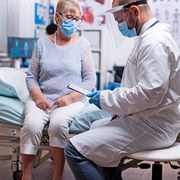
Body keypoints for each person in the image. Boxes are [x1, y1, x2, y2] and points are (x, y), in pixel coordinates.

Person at [64, 0, 180, 179]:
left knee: (73, 149)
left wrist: (106, 98)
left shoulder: (153, 42)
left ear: (134, 11)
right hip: (151, 118)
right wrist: (121, 88)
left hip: (151, 126)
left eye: (119, 20)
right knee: (96, 126)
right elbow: (152, 85)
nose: (118, 26)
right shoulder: (150, 38)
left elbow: (150, 94)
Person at [20, 0, 96, 180]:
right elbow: (31, 76)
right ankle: (26, 174)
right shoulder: (42, 43)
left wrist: (70, 98)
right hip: (43, 97)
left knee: (57, 124)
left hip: (72, 99)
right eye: (70, 17)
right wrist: (38, 97)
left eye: (78, 19)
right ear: (58, 17)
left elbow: (90, 80)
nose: (74, 22)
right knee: (31, 125)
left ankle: (58, 175)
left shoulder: (82, 44)